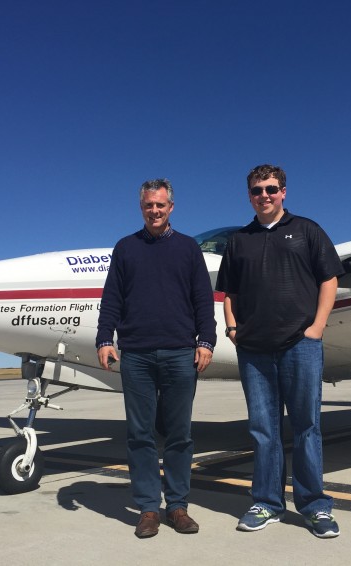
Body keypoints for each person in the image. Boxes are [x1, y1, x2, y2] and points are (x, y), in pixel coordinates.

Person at [215, 164, 345, 538]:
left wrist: (316, 329)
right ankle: (267, 503)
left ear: (284, 191)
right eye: (257, 190)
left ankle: (315, 506)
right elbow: (230, 294)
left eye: (271, 189)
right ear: (249, 196)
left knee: (307, 426)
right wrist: (234, 328)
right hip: (254, 350)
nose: (265, 196)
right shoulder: (240, 241)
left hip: (300, 345)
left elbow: (329, 279)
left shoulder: (307, 230)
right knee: (263, 429)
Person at [96, 178, 217, 538]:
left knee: (180, 434)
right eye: (149, 205)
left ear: (171, 207)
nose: (155, 211)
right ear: (142, 207)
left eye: (161, 205)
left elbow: (202, 299)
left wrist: (206, 341)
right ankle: (149, 508)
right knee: (140, 434)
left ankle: (177, 506)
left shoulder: (187, 249)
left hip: (181, 353)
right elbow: (112, 298)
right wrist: (105, 338)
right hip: (136, 355)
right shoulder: (126, 248)